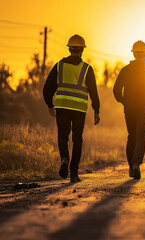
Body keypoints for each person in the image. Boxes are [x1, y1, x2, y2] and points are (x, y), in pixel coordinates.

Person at [43, 34, 100, 183]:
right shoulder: (87, 69)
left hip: (62, 106)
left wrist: (50, 104)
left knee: (63, 137)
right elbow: (93, 92)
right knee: (77, 140)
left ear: (69, 49)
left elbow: (47, 89)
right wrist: (97, 111)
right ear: (82, 50)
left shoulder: (59, 66)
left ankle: (64, 159)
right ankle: (74, 173)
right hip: (79, 109)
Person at [113, 40, 145, 179]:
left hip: (130, 109)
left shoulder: (126, 70)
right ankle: (136, 163)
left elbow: (116, 90)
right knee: (141, 137)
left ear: (134, 54)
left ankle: (131, 166)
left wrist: (124, 101)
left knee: (132, 136)